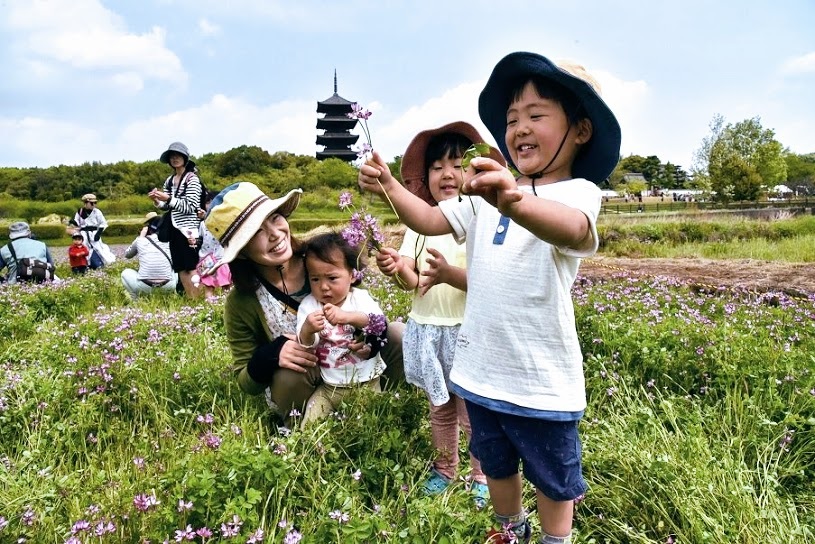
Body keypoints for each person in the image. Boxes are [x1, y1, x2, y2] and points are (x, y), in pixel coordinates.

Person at [358, 51, 621, 544]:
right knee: (496, 461)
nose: (519, 126)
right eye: (511, 118)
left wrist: (515, 201)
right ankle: (509, 529)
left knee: (552, 474)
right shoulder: (484, 196)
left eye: (537, 115)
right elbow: (431, 219)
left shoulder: (578, 193)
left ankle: (554, 538)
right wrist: (391, 185)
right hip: (480, 370)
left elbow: (574, 230)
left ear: (581, 130)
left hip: (540, 377)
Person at [375, 122, 505, 509]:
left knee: (473, 412)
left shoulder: (480, 220)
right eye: (436, 167)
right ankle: (444, 470)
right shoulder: (419, 225)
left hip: (466, 331)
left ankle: (480, 475)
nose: (447, 174)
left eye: (457, 164)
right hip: (429, 328)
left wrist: (449, 273)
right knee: (440, 407)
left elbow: (488, 282)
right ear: (425, 177)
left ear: (476, 170)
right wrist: (398, 267)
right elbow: (416, 282)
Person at [202, 182, 404, 429]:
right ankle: (301, 426)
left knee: (397, 334)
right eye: (256, 232)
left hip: (354, 367)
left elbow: (358, 303)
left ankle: (390, 404)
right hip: (304, 380)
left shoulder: (321, 258)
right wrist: (271, 354)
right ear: (241, 252)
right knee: (289, 373)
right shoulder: (241, 301)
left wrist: (369, 338)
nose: (275, 234)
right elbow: (245, 381)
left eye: (274, 218)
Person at [296, 232, 388, 427]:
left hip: (367, 383)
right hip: (329, 387)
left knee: (370, 427)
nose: (324, 287)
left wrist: (347, 317)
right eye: (315, 279)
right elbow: (305, 344)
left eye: (332, 278)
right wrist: (307, 329)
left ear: (353, 276)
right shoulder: (309, 305)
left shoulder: (359, 298)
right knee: (308, 427)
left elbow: (377, 322)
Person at [149, 142, 202, 298]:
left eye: (178, 155)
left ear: (185, 158)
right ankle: (191, 299)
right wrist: (157, 201)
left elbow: (190, 206)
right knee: (180, 267)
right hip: (174, 228)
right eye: (172, 156)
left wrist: (168, 198)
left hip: (188, 230)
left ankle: (198, 298)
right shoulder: (169, 180)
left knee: (191, 267)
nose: (175, 159)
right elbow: (167, 206)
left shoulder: (192, 179)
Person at [120, 212, 178, 299]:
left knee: (125, 273)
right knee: (179, 270)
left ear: (148, 229)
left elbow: (127, 255)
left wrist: (141, 236)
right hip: (168, 286)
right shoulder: (169, 240)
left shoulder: (140, 240)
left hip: (144, 286)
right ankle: (171, 298)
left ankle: (136, 300)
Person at [191, 190, 232, 298]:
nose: (210, 204)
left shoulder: (224, 221)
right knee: (209, 287)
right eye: (208, 202)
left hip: (221, 259)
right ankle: (213, 309)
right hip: (207, 260)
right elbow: (200, 239)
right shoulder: (202, 224)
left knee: (226, 285)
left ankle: (222, 309)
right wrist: (194, 241)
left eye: (213, 201)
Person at [68, 193, 108, 270]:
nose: (94, 205)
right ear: (86, 203)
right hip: (83, 234)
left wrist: (98, 234)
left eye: (95, 203)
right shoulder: (80, 211)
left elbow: (103, 223)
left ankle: (100, 264)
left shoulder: (97, 212)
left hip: (94, 233)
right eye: (92, 203)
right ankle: (85, 265)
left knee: (98, 248)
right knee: (84, 249)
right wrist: (72, 222)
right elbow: (78, 223)